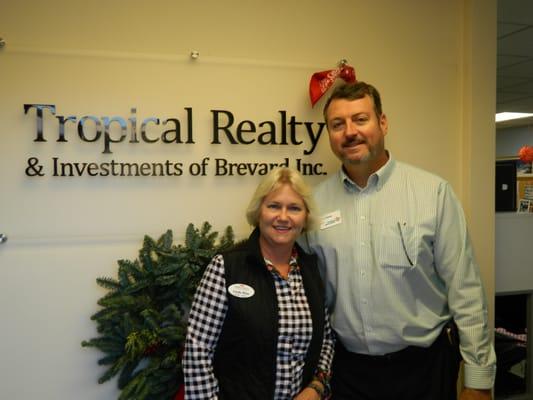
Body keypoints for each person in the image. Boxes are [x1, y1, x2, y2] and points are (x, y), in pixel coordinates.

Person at [304, 81, 496, 400]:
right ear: (329, 134)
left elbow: (466, 291)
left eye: (360, 119)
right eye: (338, 124)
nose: (350, 131)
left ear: (383, 123)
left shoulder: (432, 193)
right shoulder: (314, 205)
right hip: (347, 375)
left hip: (424, 370)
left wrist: (478, 381)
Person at [183, 167, 335, 400]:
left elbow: (325, 340)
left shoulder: (310, 269)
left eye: (294, 208)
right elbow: (197, 351)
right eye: (274, 206)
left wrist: (316, 387)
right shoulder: (226, 267)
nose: (283, 217)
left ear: (305, 218)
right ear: (258, 212)